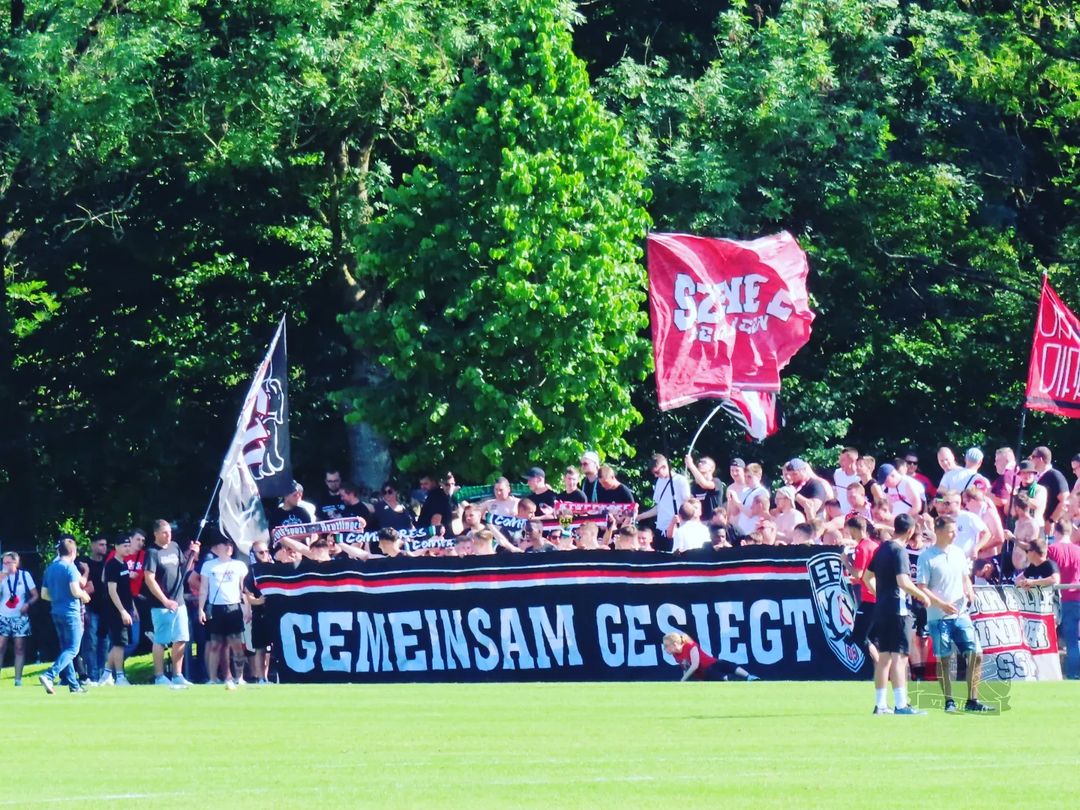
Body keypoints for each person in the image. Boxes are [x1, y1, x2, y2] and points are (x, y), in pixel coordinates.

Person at [917, 515, 993, 712]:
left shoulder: (958, 553)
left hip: (961, 614)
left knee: (976, 654)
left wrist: (969, 590)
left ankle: (972, 701)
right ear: (939, 532)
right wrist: (941, 604)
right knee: (944, 659)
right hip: (938, 617)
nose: (954, 535)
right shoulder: (926, 556)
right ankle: (948, 701)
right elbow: (922, 587)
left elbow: (965, 577)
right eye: (951, 531)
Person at [862, 514, 933, 714]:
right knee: (900, 657)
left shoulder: (882, 548)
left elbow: (867, 577)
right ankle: (901, 705)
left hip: (882, 608)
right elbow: (903, 581)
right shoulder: (899, 551)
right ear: (910, 531)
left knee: (884, 658)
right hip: (899, 610)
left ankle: (880, 705)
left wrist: (881, 595)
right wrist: (922, 595)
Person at [38, 537, 92, 694]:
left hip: (56, 611)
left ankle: (74, 686)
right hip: (70, 612)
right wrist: (84, 595)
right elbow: (75, 590)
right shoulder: (70, 568)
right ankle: (49, 675)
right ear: (73, 552)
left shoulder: (50, 568)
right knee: (73, 649)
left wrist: (58, 598)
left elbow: (44, 594)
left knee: (65, 649)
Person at [143, 519, 193, 688]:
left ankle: (177, 675)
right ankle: (159, 676)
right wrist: (165, 600)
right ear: (156, 534)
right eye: (164, 532)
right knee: (161, 640)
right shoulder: (152, 552)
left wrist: (192, 554)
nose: (168, 535)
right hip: (161, 605)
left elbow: (184, 568)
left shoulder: (174, 547)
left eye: (169, 532)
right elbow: (149, 579)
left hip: (179, 602)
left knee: (181, 638)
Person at [199, 532, 250, 689]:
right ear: (216, 548)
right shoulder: (208, 566)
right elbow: (204, 589)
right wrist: (201, 609)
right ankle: (212, 678)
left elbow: (244, 589)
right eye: (225, 545)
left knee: (236, 644)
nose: (229, 548)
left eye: (230, 545)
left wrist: (247, 608)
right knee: (215, 644)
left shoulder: (239, 565)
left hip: (233, 606)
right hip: (216, 607)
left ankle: (239, 677)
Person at [100, 534, 136, 686]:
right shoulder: (112, 565)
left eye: (129, 545)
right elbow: (112, 591)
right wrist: (122, 611)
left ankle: (106, 674)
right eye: (124, 546)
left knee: (119, 643)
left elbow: (126, 590)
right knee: (119, 644)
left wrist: (132, 608)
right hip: (115, 611)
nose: (127, 548)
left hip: (126, 609)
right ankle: (120, 676)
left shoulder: (124, 564)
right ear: (116, 547)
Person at [1047, 519, 1080, 679]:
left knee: (1067, 639)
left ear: (1056, 531)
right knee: (1073, 640)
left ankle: (1072, 674)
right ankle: (1074, 673)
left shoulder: (1052, 549)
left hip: (1062, 599)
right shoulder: (1078, 550)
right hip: (1077, 596)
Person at [0, 551, 38, 686]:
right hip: (3, 616)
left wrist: (27, 604)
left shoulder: (24, 575)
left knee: (19, 647)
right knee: (1, 646)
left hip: (20, 617)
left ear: (15, 562)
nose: (5, 565)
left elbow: (35, 595)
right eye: (3, 563)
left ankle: (18, 680)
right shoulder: (1, 576)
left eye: (8, 562)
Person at [844, 517, 879, 664]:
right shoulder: (875, 545)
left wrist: (846, 561)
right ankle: (879, 669)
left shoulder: (862, 548)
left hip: (869, 598)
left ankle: (880, 667)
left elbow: (858, 574)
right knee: (873, 637)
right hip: (878, 596)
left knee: (860, 636)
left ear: (854, 529)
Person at [637, 454, 691, 545]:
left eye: (657, 472)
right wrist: (640, 516)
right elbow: (659, 507)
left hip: (675, 530)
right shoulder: (659, 481)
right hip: (660, 529)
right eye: (654, 473)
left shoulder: (680, 480)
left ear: (664, 466)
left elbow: (687, 505)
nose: (655, 476)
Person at [662, 632, 758, 681]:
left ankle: (749, 677)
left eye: (666, 646)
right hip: (705, 673)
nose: (665, 649)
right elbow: (685, 668)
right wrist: (684, 681)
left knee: (728, 665)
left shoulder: (690, 646)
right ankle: (737, 680)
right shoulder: (675, 654)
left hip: (712, 664)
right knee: (722, 678)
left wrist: (682, 680)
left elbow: (695, 665)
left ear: (675, 644)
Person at [1031, 446, 1070, 534]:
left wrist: (1051, 520)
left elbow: (1065, 501)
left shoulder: (1055, 476)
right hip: (1036, 524)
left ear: (1040, 459)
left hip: (1049, 527)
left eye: (1033, 457)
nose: (1031, 459)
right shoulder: (1035, 477)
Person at [684, 454, 725, 524]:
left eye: (704, 462)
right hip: (699, 523)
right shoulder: (693, 485)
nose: (700, 464)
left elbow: (704, 484)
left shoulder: (716, 481)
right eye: (700, 462)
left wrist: (691, 465)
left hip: (714, 522)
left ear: (711, 468)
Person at [834, 447, 861, 512]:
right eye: (840, 459)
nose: (840, 462)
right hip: (838, 513)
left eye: (843, 460)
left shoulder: (859, 478)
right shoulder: (837, 473)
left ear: (853, 460)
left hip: (852, 514)